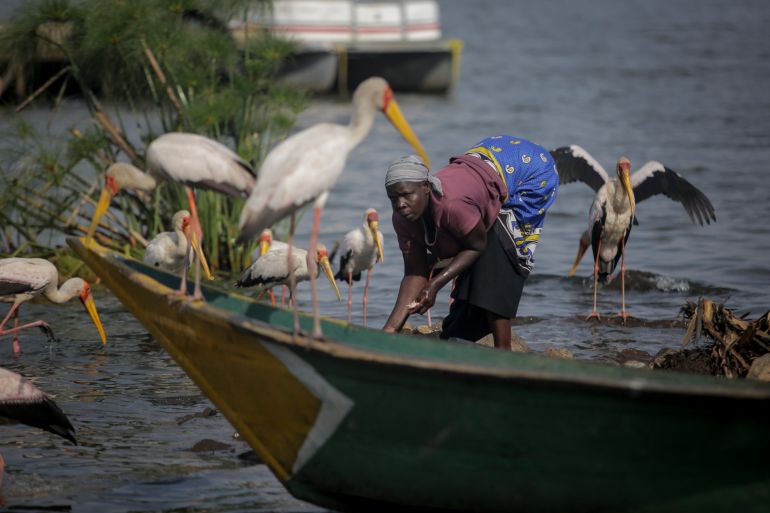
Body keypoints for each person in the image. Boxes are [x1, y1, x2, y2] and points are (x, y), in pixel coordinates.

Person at [382, 135, 558, 349]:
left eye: (407, 195)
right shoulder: (402, 219)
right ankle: (463, 329)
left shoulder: (452, 205)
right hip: (485, 162)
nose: (400, 204)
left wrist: (435, 284)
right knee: (475, 248)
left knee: (498, 251)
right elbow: (414, 273)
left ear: (426, 187)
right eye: (393, 199)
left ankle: (504, 351)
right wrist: (389, 332)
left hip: (531, 169)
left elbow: (476, 245)